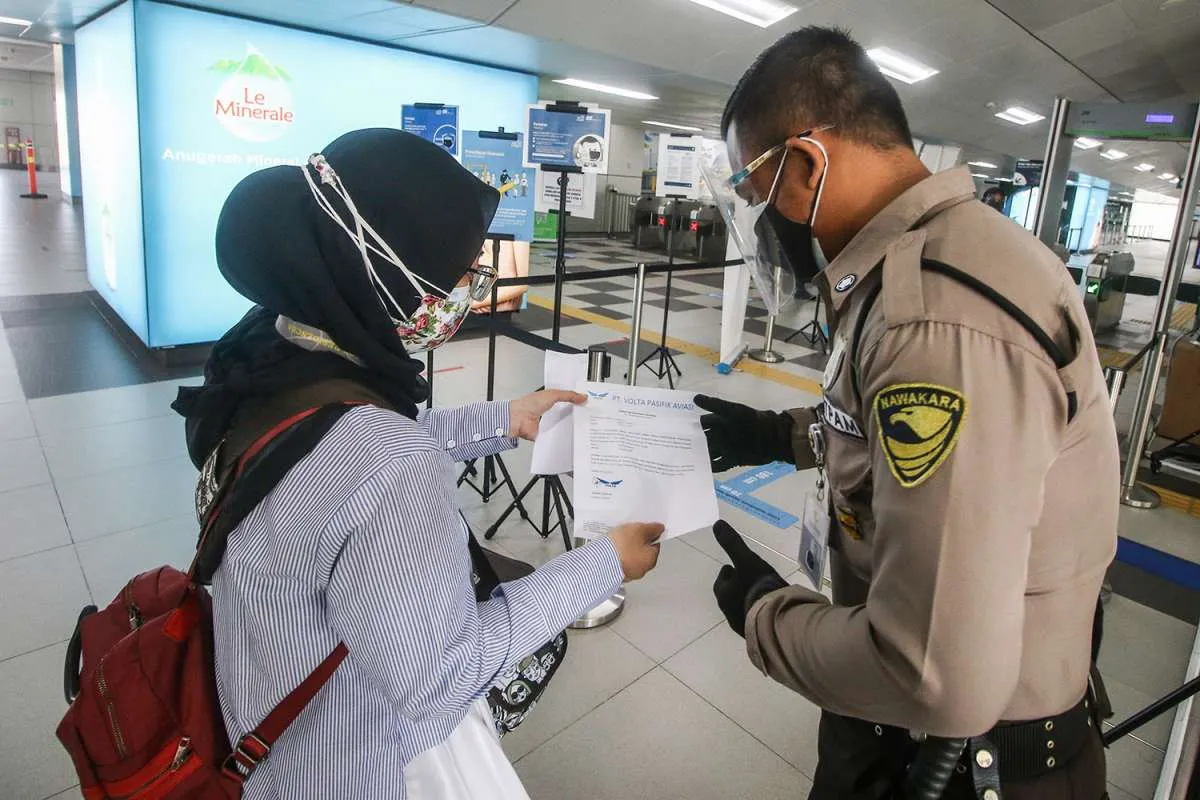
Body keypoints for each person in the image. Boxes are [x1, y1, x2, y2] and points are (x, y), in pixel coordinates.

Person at [172, 128, 663, 800]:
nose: (469, 288)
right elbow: (444, 674)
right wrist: (607, 561)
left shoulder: (268, 351)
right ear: (388, 271)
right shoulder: (385, 463)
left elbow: (337, 444)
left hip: (258, 713)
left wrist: (504, 417)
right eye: (460, 270)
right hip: (343, 764)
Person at [697, 28, 1117, 800]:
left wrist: (767, 617)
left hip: (964, 765)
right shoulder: (918, 264)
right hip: (916, 743)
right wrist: (781, 435)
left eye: (758, 196)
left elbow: (933, 673)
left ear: (808, 163)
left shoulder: (938, 321)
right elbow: (891, 441)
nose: (761, 222)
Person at [471, 238, 531, 315]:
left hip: (495, 308)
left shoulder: (517, 229)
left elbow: (522, 284)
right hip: (476, 301)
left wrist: (475, 303)